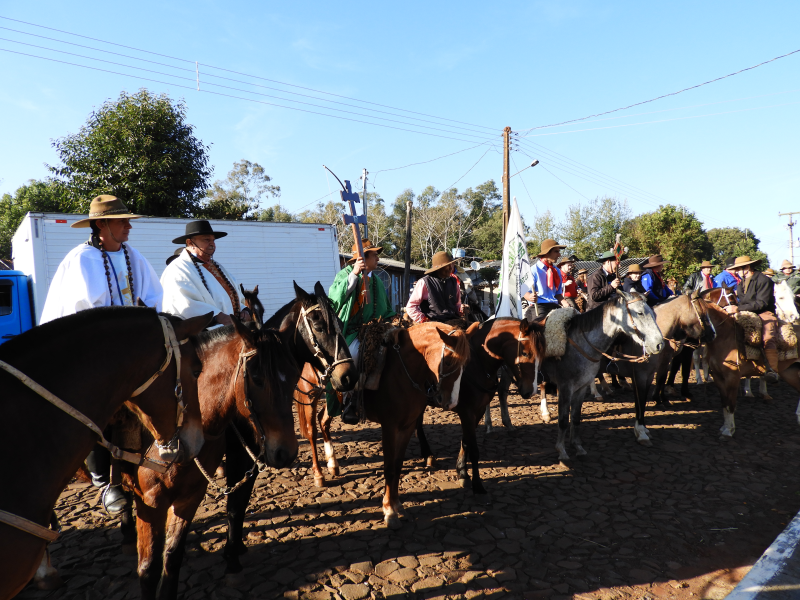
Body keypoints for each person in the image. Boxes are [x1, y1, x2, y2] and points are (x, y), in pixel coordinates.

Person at [40, 195, 163, 514]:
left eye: (127, 220)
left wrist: (144, 321)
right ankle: (103, 480)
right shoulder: (80, 260)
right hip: (90, 350)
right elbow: (78, 313)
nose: (129, 226)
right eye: (122, 221)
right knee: (91, 405)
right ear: (101, 225)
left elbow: (153, 295)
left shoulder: (134, 256)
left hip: (130, 346)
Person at [328, 239, 396, 423]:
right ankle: (351, 399)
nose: (378, 258)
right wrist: (355, 276)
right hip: (351, 331)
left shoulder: (377, 281)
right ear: (362, 259)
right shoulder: (346, 274)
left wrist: (393, 319)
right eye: (375, 255)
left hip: (377, 328)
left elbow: (386, 308)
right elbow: (334, 299)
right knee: (355, 355)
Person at [161, 221, 250, 326]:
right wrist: (217, 316)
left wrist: (244, 310)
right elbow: (183, 304)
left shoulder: (217, 267)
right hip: (201, 337)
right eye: (207, 240)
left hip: (230, 333)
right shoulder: (177, 269)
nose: (212, 244)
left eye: (213, 240)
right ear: (190, 243)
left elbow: (234, 296)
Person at [723, 255, 779, 380]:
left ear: (747, 267)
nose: (736, 272)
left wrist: (738, 309)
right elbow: (742, 302)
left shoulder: (764, 280)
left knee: (768, 337)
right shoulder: (741, 283)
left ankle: (772, 370)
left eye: (738, 269)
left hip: (764, 313)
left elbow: (762, 303)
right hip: (745, 312)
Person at [406, 251, 463, 323]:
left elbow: (457, 305)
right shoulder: (424, 282)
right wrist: (425, 320)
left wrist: (461, 309)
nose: (451, 268)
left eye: (451, 265)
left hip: (452, 321)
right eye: (447, 266)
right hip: (434, 323)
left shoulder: (454, 282)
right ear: (439, 268)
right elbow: (411, 307)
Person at [529, 239, 567, 317]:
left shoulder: (557, 271)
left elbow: (558, 294)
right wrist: (530, 297)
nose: (559, 255)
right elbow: (524, 291)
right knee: (542, 326)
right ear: (547, 253)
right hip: (539, 306)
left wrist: (567, 305)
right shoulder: (533, 270)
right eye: (556, 251)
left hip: (554, 306)